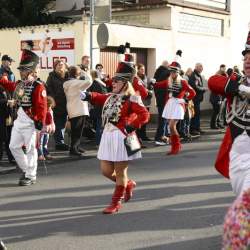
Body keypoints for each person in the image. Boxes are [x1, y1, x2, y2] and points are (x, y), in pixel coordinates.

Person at [80, 60, 150, 214]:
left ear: (125, 83)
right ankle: (128, 184)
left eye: (117, 81)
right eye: (113, 80)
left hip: (122, 137)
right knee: (105, 171)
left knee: (120, 173)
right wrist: (88, 95)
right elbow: (99, 97)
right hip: (108, 136)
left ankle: (116, 202)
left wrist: (132, 125)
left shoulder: (132, 98)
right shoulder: (111, 96)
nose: (113, 83)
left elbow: (144, 115)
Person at [208, 26, 250, 196]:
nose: (247, 61)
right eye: (246, 58)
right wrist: (241, 88)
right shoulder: (236, 80)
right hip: (238, 145)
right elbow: (213, 81)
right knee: (240, 187)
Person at [0, 49, 47, 186]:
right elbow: (8, 84)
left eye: (24, 69)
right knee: (13, 146)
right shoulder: (20, 84)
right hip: (19, 122)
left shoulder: (38, 86)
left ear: (31, 71)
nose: (21, 72)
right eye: (21, 69)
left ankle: (31, 175)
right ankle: (27, 170)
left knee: (31, 149)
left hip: (31, 122)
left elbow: (41, 105)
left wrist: (40, 121)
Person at [156, 61, 196, 155]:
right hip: (170, 104)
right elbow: (159, 84)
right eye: (171, 72)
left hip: (178, 105)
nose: (172, 74)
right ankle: (175, 146)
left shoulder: (182, 81)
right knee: (171, 127)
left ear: (177, 72)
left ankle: (176, 146)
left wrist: (185, 100)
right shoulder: (169, 80)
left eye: (174, 72)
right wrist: (153, 83)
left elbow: (193, 92)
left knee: (171, 126)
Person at [63, 66, 92, 156]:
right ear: (77, 74)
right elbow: (90, 81)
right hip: (79, 108)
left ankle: (76, 147)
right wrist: (83, 71)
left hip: (72, 108)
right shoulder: (77, 83)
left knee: (76, 130)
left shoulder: (66, 83)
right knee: (77, 130)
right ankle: (74, 149)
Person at [46, 59, 68, 151]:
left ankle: (60, 141)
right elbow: (48, 89)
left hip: (66, 103)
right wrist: (52, 99)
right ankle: (59, 143)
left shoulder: (67, 75)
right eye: (58, 65)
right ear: (55, 67)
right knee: (58, 123)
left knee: (63, 123)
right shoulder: (51, 76)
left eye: (62, 65)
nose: (60, 66)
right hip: (56, 103)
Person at [153, 60, 170, 146]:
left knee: (163, 119)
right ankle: (160, 137)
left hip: (161, 99)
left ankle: (163, 135)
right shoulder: (164, 73)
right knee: (163, 119)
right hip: (163, 99)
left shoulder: (158, 72)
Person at [88, 69, 108, 146]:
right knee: (100, 125)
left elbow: (94, 96)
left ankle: (99, 142)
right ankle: (99, 142)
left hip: (99, 107)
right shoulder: (101, 83)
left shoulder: (94, 83)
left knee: (99, 125)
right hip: (102, 106)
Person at [136, 63, 153, 141]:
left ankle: (144, 136)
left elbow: (151, 88)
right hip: (139, 102)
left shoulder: (148, 78)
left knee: (145, 120)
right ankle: (138, 136)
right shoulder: (136, 79)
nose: (143, 71)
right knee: (139, 119)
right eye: (141, 69)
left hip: (147, 101)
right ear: (138, 70)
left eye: (144, 69)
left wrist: (151, 90)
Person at [189, 63, 207, 135]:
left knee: (197, 114)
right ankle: (193, 129)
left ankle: (197, 128)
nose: (202, 68)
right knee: (195, 114)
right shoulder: (194, 75)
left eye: (202, 67)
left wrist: (202, 89)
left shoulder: (198, 75)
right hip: (195, 98)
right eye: (200, 67)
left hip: (198, 98)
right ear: (196, 67)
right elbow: (195, 86)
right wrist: (203, 89)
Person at [0, 83, 15, 163]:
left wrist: (12, 103)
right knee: (2, 139)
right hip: (1, 118)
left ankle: (11, 157)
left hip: (8, 117)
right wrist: (7, 101)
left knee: (9, 139)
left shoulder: (8, 90)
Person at [37, 96, 55, 161]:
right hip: (41, 130)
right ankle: (40, 154)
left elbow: (52, 120)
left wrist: (53, 127)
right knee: (40, 143)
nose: (49, 107)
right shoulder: (42, 111)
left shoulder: (51, 111)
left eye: (50, 106)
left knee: (45, 143)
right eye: (48, 106)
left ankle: (45, 153)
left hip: (47, 130)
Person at [209, 64, 227, 129]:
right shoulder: (216, 77)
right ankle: (213, 125)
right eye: (223, 68)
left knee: (218, 111)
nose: (224, 70)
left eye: (225, 68)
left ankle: (217, 123)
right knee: (216, 111)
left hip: (218, 97)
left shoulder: (222, 75)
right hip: (215, 97)